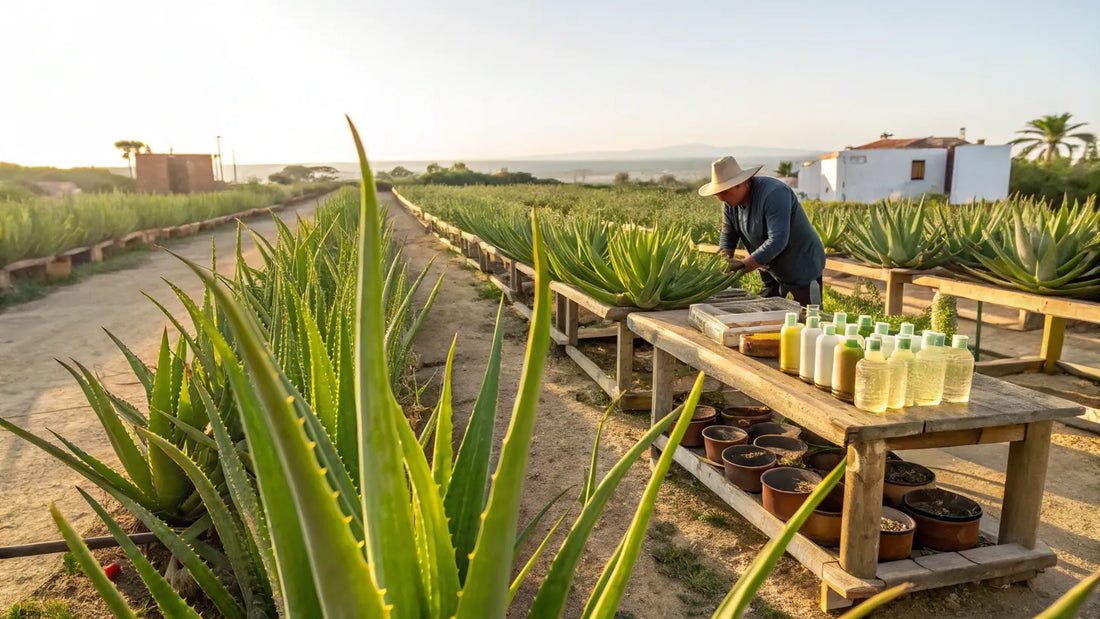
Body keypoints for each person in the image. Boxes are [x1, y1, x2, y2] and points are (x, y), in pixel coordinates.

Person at [698, 156, 825, 305]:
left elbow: (777, 240)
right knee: (770, 311)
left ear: (742, 184)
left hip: (801, 263)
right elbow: (728, 235)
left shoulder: (774, 194)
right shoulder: (730, 203)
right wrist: (724, 259)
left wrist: (743, 264)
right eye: (717, 194)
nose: (720, 197)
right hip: (768, 266)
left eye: (724, 192)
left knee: (809, 317)